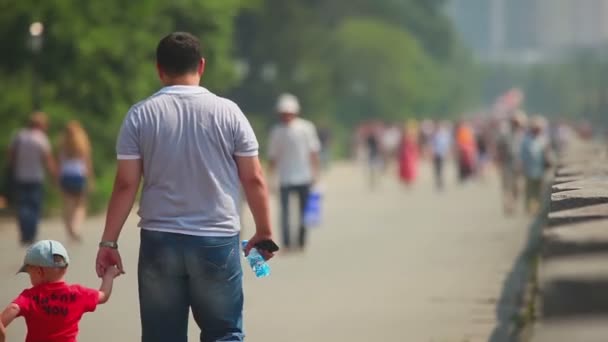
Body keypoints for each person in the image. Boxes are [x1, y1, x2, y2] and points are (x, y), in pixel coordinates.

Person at [95, 32, 275, 342]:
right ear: (201, 66)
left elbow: (126, 183)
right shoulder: (229, 112)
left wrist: (109, 242)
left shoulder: (141, 115)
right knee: (224, 333)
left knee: (162, 335)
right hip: (216, 239)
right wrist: (264, 231)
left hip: (159, 239)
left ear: (159, 69)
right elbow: (254, 177)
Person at [1, 240, 120, 341]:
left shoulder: (30, 296)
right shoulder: (78, 294)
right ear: (65, 268)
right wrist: (109, 276)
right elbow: (103, 296)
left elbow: (13, 308)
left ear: (39, 272)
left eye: (30, 273)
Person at [268, 93, 320, 251]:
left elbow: (313, 152)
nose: (286, 116)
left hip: (304, 176)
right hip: (285, 178)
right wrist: (271, 178)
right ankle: (286, 243)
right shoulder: (277, 131)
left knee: (303, 212)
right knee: (285, 213)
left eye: (289, 113)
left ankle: (301, 241)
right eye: (283, 113)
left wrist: (316, 173)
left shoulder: (306, 128)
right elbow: (273, 157)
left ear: (295, 112)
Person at [8, 112, 57, 246]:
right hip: (36, 177)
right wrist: (54, 175)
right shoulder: (41, 138)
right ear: (40, 125)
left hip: (20, 176)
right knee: (34, 206)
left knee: (23, 205)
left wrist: (12, 168)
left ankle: (24, 234)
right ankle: (31, 234)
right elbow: (47, 158)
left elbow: (11, 155)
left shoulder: (18, 136)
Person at [58, 121, 94, 243]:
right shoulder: (82, 144)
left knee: (67, 205)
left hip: (66, 176)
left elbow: (60, 163)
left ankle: (69, 228)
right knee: (80, 205)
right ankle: (76, 227)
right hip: (78, 175)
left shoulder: (62, 144)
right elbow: (87, 163)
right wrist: (90, 179)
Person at [496, 110, 527, 215]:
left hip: (519, 163)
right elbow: (500, 148)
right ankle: (508, 205)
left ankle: (514, 202)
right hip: (507, 163)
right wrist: (499, 161)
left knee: (518, 187)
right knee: (507, 186)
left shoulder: (524, 136)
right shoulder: (505, 134)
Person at [521, 116, 552, 215]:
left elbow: (548, 154)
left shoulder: (544, 140)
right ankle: (529, 209)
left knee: (539, 191)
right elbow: (523, 156)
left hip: (541, 169)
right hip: (529, 169)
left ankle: (538, 208)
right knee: (529, 191)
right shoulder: (526, 140)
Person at [431, 120, 452, 191]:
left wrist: (448, 153)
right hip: (436, 154)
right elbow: (432, 145)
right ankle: (438, 182)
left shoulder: (445, 135)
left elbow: (447, 145)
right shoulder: (434, 135)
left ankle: (441, 182)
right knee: (436, 169)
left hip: (442, 154)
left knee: (441, 169)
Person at [397, 120, 419, 187]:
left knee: (409, 168)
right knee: (406, 168)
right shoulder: (404, 138)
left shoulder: (411, 138)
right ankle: (406, 181)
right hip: (405, 155)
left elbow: (414, 147)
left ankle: (408, 181)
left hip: (409, 155)